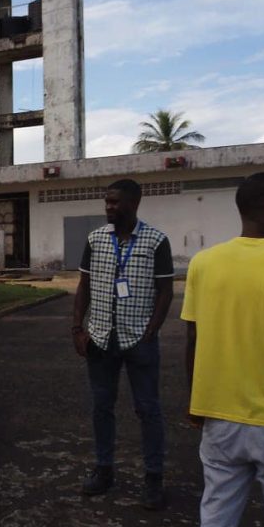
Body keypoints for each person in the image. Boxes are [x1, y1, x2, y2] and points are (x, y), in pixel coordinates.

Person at [182, 172, 264, 527]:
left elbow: (193, 338)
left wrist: (194, 402)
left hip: (218, 418)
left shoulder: (203, 263)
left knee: (215, 526)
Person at [72, 178, 174, 509]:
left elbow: (165, 291)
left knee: (148, 410)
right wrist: (78, 328)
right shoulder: (96, 239)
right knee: (102, 407)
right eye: (107, 202)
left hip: (138, 340)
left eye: (115, 202)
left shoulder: (156, 241)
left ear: (134, 203)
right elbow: (84, 285)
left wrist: (151, 331)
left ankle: (153, 479)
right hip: (100, 339)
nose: (109, 207)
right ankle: (104, 471)